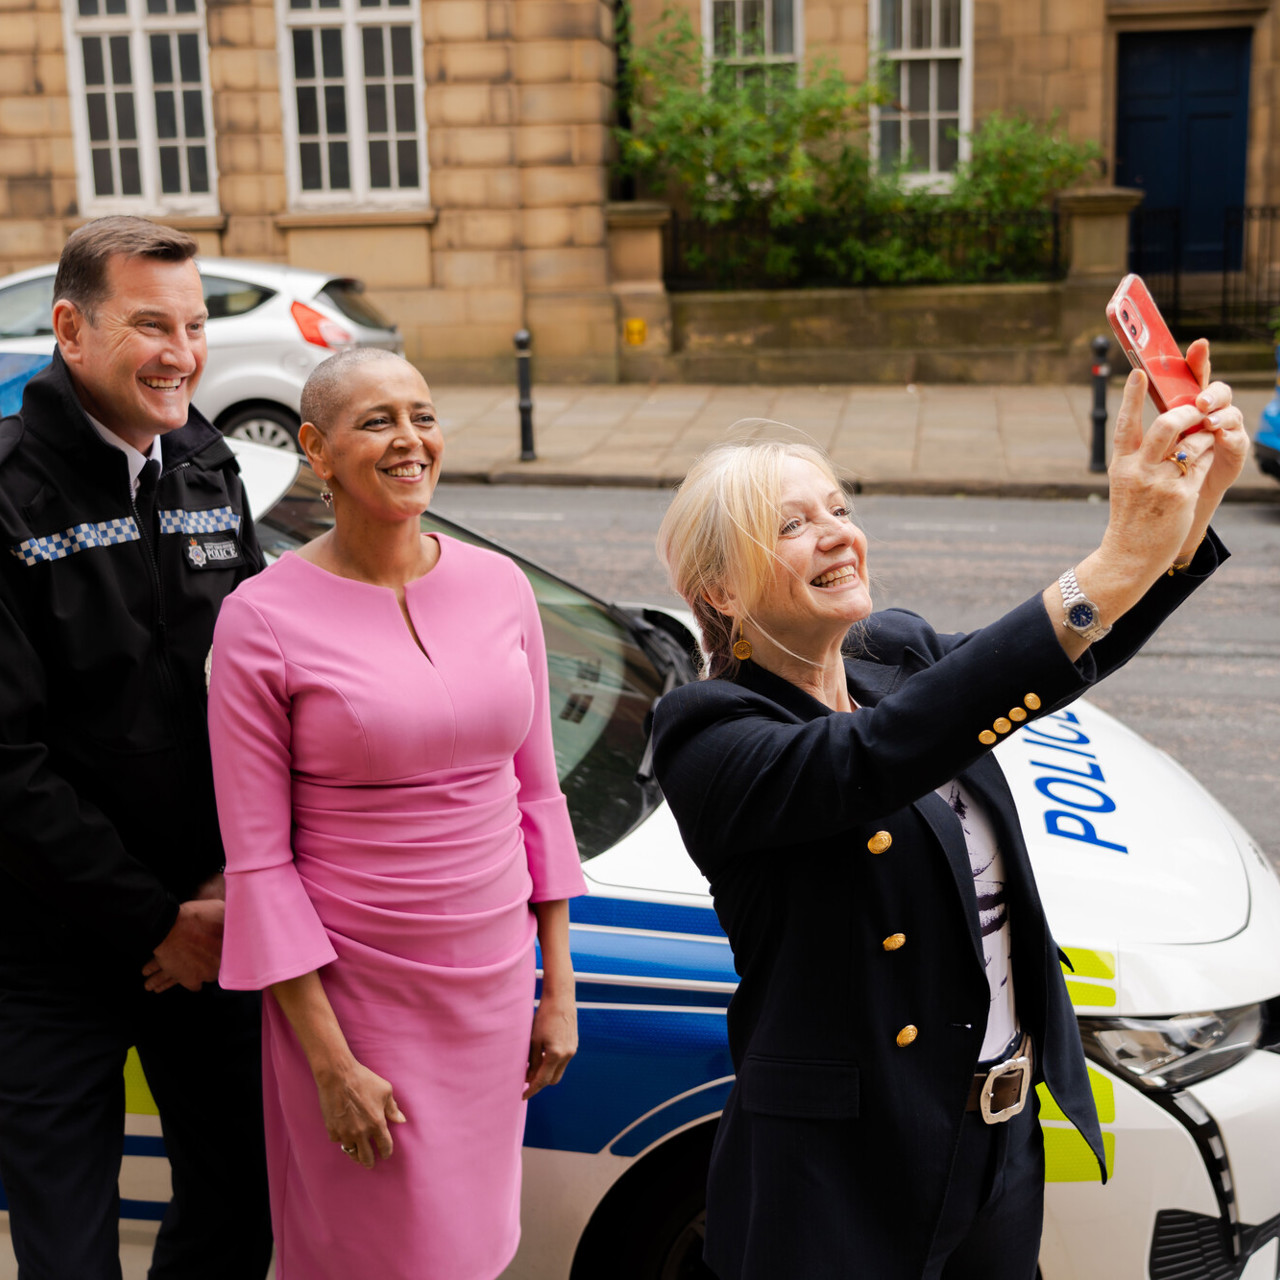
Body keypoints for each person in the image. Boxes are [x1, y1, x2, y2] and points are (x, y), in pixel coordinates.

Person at [649, 351, 1248, 1280]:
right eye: (793, 525)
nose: (837, 535)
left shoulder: (894, 652)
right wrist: (1113, 557)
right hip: (840, 1177)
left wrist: (1182, 521)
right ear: (720, 592)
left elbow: (1051, 660)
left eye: (839, 508)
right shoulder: (709, 733)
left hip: (994, 1144)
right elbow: (878, 755)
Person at [207, 347, 586, 1279]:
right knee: (377, 1252)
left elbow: (536, 794)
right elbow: (259, 865)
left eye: (422, 415)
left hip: (495, 987)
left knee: (474, 1248)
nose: (410, 439)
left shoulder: (501, 586)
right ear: (316, 449)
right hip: (355, 1002)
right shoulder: (259, 619)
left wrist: (559, 985)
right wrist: (331, 1064)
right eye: (377, 421)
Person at [0, 217, 272, 1277]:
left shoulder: (208, 464)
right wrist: (154, 919)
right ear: (71, 329)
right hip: (47, 949)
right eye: (151, 325)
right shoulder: (7, 495)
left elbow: (262, 695)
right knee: (68, 1250)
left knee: (243, 1205)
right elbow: (7, 766)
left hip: (210, 918)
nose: (182, 353)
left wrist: (233, 877)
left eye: (195, 326)